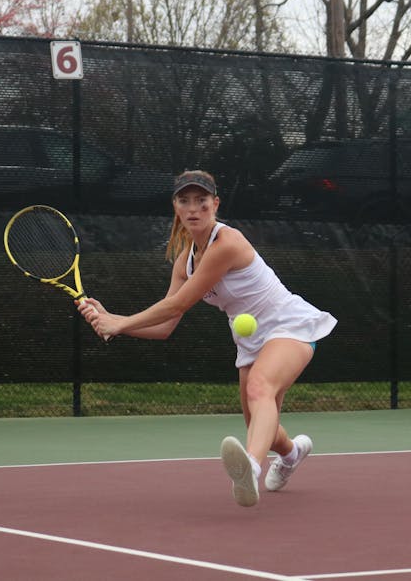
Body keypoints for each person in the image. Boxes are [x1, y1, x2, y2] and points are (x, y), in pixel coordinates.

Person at [77, 170, 337, 507]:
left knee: (260, 389)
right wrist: (112, 321)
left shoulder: (227, 243)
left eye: (201, 201)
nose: (193, 208)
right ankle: (292, 453)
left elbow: (178, 304)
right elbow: (166, 325)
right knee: (262, 425)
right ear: (175, 207)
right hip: (250, 341)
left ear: (215, 204)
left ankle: (250, 469)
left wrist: (119, 323)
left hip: (289, 325)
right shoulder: (183, 263)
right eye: (184, 201)